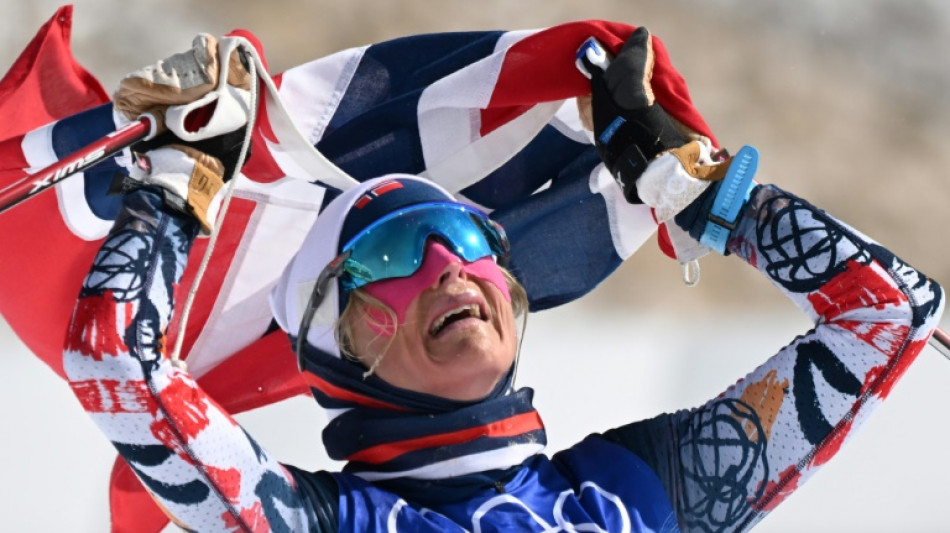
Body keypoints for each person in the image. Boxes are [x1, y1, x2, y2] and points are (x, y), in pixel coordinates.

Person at [63, 29, 944, 532]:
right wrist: (176, 186)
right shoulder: (326, 522)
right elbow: (113, 364)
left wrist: (698, 191)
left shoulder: (640, 489)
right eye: (390, 257)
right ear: (336, 346)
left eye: (468, 240)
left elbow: (890, 308)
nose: (449, 266)